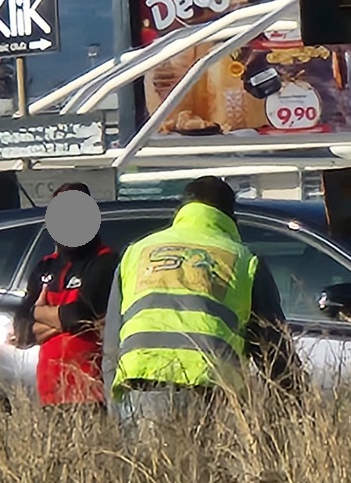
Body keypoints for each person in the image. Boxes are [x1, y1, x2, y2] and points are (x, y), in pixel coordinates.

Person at [103, 176, 302, 434]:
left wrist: (114, 404)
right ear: (232, 217)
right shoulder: (243, 260)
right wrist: (296, 399)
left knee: (148, 473)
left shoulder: (137, 252)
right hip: (208, 391)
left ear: (181, 210)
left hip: (140, 388)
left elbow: (110, 344)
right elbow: (273, 348)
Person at [13, 182, 119, 412]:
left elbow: (80, 315)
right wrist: (61, 321)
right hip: (49, 393)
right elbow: (21, 331)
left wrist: (38, 312)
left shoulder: (105, 261)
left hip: (91, 391)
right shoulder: (45, 265)